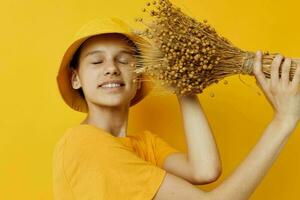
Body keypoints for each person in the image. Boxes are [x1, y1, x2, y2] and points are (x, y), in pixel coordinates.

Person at [53, 17, 221, 200]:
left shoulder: (146, 144)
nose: (112, 68)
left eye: (124, 60)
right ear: (75, 79)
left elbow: (205, 171)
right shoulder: (84, 141)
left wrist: (181, 83)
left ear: (139, 77)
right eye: (96, 61)